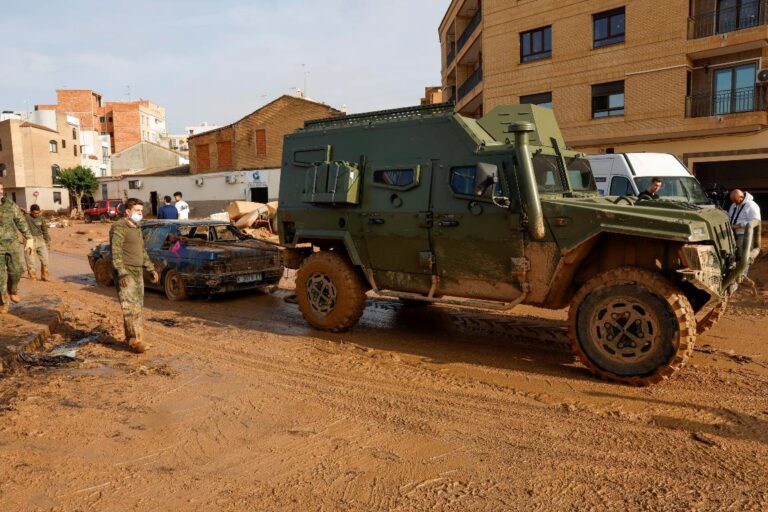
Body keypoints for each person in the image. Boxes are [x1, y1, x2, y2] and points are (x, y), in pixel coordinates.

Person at [110, 198, 159, 353]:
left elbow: (141, 251)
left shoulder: (136, 227)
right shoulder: (119, 227)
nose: (140, 213)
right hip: (126, 272)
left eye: (141, 210)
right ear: (128, 211)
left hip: (137, 271)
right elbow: (115, 251)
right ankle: (135, 342)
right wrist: (122, 273)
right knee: (129, 308)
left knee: (137, 307)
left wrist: (150, 268)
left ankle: (136, 338)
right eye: (137, 210)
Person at [0, 183, 34, 314]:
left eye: (2, 189)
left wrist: (29, 238)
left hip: (12, 243)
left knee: (17, 271)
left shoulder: (10, 205)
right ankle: (3, 302)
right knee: (0, 277)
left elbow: (20, 221)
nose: (1, 192)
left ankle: (12, 290)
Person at [728, 189, 762, 277]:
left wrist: (738, 225)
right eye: (733, 201)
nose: (735, 203)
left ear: (741, 197)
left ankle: (742, 276)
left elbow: (756, 221)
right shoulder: (734, 204)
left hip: (744, 234)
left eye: (736, 200)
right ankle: (734, 274)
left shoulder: (751, 205)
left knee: (743, 256)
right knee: (733, 255)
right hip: (732, 234)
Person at [24, 204, 51, 281]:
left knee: (45, 259)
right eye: (35, 213)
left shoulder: (41, 218)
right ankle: (32, 277)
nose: (37, 214)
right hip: (29, 240)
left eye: (38, 213)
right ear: (31, 212)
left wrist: (47, 240)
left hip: (40, 239)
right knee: (30, 260)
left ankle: (45, 276)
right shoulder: (26, 217)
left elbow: (45, 230)